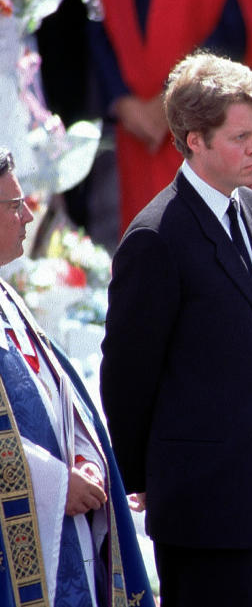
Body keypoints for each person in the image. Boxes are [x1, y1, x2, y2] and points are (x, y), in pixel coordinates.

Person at [99, 52, 252, 606]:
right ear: (194, 139)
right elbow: (127, 371)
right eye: (240, 137)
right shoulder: (156, 236)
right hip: (205, 507)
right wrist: (142, 474)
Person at [0, 149, 153, 606]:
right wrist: (55, 483)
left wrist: (88, 457)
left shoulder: (8, 298)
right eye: (12, 205)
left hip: (64, 525)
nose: (28, 215)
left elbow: (59, 393)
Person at [89, 0, 252, 237]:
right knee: (149, 247)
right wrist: (121, 101)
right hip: (135, 134)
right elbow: (95, 27)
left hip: (208, 125)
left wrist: (173, 100)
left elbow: (235, 33)